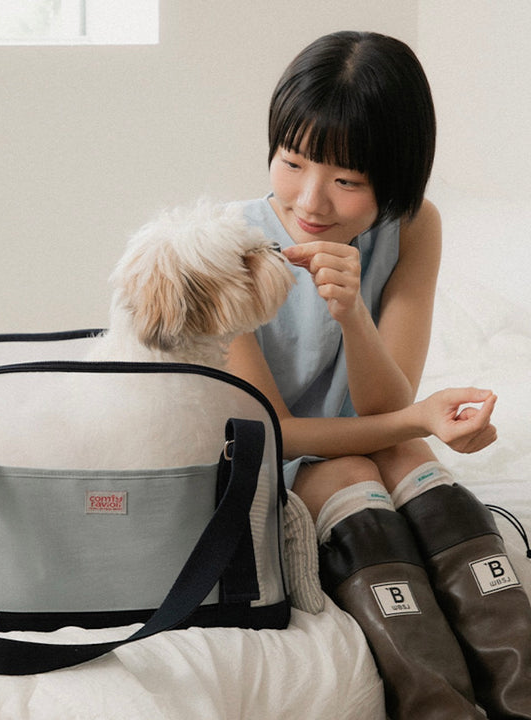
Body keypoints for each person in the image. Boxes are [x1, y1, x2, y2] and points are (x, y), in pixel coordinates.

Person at [226, 31, 531, 720]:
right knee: (364, 466)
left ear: (395, 178)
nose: (312, 201)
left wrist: (352, 316)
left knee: (407, 460)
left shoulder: (413, 225)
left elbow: (386, 402)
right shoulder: (229, 248)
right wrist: (420, 420)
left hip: (378, 435)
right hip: (281, 457)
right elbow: (275, 433)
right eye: (291, 162)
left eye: (347, 181)